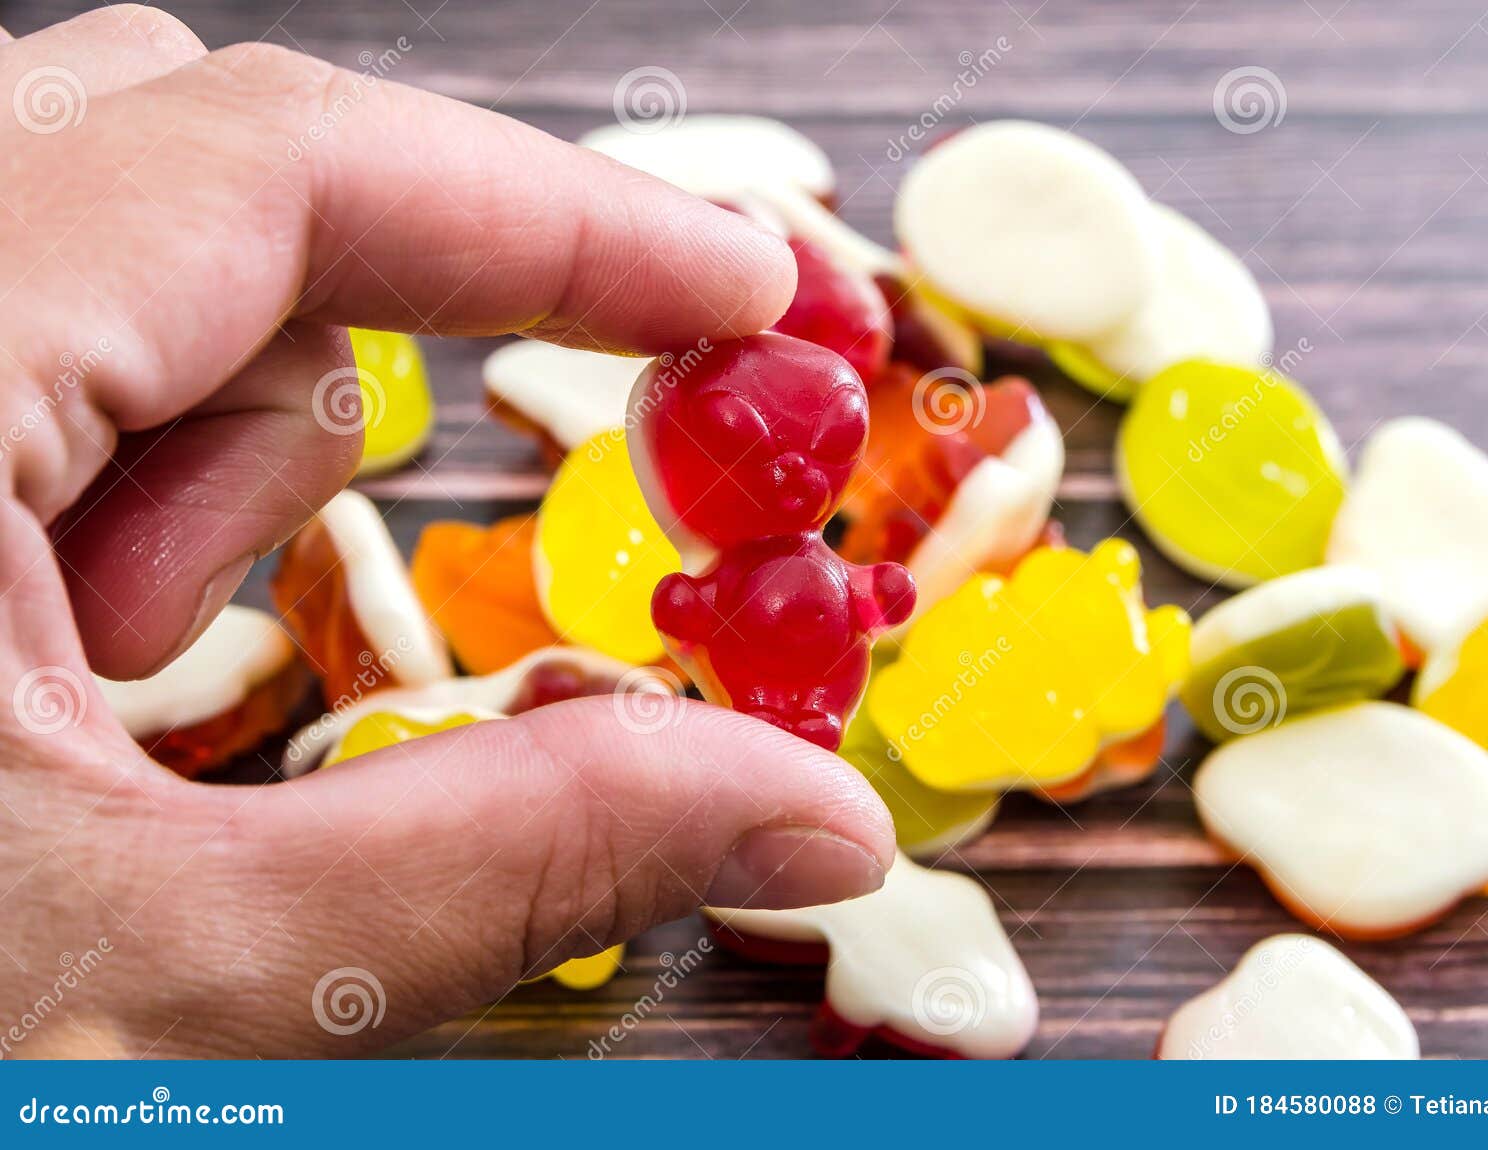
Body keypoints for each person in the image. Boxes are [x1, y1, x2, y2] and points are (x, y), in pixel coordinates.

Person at [0, 6, 892, 1058]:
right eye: (763, 452)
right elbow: (684, 605)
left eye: (816, 456)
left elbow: (792, 599)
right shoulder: (696, 536)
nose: (792, 475)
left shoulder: (790, 552)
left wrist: (863, 598)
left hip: (807, 667)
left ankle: (798, 727)